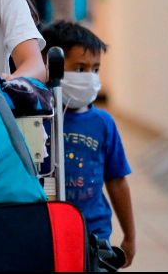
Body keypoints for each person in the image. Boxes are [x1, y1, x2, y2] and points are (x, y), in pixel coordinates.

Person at [40, 21, 136, 269]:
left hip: (94, 233)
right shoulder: (38, 118)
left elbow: (117, 180)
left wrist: (130, 236)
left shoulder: (103, 123)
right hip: (47, 227)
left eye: (95, 70)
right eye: (80, 69)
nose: (89, 79)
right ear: (51, 65)